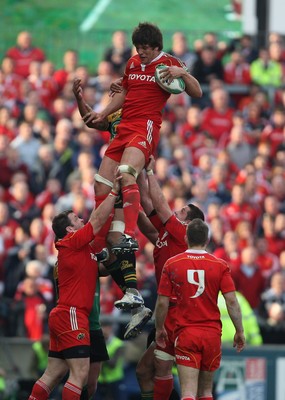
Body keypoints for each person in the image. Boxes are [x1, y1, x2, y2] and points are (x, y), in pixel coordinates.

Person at [82, 21, 202, 260]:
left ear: (157, 47)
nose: (142, 52)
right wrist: (103, 113)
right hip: (124, 127)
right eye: (138, 47)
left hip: (145, 127)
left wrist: (183, 74)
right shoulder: (133, 63)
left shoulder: (170, 63)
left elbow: (197, 92)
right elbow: (124, 93)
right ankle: (101, 241)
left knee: (126, 173)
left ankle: (126, 234)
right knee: (101, 185)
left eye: (146, 47)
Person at [28, 169, 122, 400]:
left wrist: (118, 256)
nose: (82, 220)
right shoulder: (71, 242)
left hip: (65, 314)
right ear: (69, 230)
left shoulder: (80, 251)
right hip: (73, 313)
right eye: (77, 219)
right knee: (79, 375)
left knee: (53, 374)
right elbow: (97, 221)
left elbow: (99, 270)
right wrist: (114, 193)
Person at [72, 78, 153, 339]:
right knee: (112, 244)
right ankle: (135, 299)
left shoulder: (140, 112)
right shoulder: (115, 113)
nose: (115, 88)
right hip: (114, 183)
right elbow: (92, 120)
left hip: (122, 181)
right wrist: (79, 98)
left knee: (106, 246)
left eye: (121, 85)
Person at [135, 156, 205, 400]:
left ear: (189, 222)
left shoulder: (181, 232)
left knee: (155, 369)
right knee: (146, 371)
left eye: (183, 210)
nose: (178, 209)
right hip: (165, 310)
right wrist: (133, 184)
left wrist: (151, 170)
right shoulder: (168, 233)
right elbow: (145, 203)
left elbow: (160, 205)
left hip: (177, 313)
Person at [155, 218, 246, 400]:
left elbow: (162, 302)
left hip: (187, 333)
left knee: (188, 392)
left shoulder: (173, 264)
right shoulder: (220, 266)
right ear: (207, 239)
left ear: (186, 238)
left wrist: (159, 328)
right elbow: (232, 302)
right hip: (211, 335)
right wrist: (239, 330)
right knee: (206, 392)